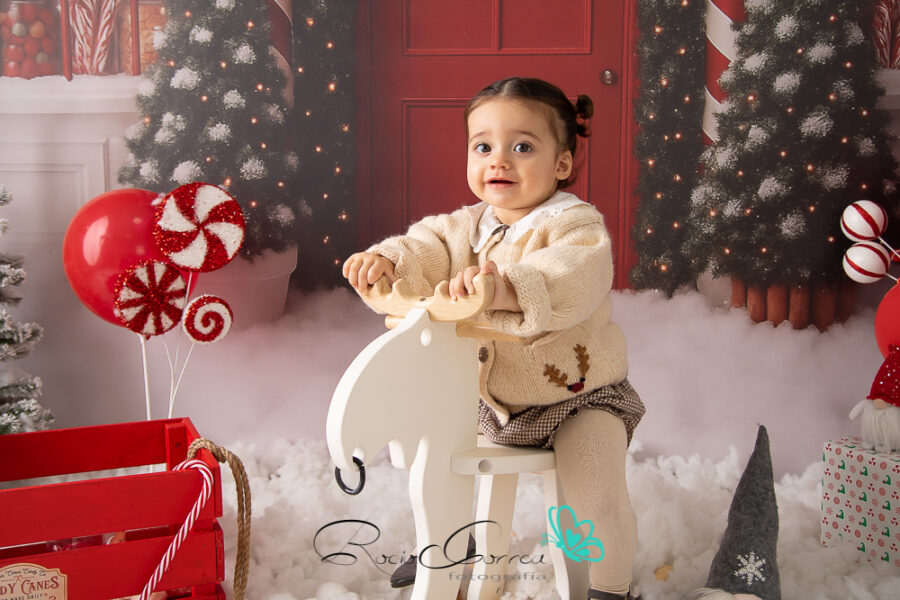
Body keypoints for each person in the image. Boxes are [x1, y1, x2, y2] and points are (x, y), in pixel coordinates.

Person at [342, 76, 645, 600]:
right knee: (438, 464)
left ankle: (610, 586)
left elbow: (572, 274)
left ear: (562, 164)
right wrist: (388, 262)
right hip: (489, 404)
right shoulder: (466, 226)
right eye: (483, 147)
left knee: (595, 496)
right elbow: (425, 246)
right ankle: (448, 544)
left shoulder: (575, 225)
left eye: (522, 147)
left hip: (579, 399)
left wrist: (507, 288)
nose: (498, 161)